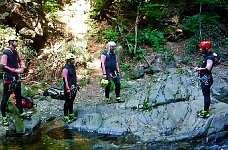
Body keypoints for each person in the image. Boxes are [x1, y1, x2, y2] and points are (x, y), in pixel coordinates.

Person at [0, 35, 27, 126]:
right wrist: (15, 70)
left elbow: (20, 60)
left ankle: (21, 112)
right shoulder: (6, 53)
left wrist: (22, 66)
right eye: (16, 41)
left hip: (16, 78)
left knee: (18, 95)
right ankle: (3, 116)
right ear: (11, 42)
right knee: (5, 98)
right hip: (8, 79)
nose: (17, 42)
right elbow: (2, 66)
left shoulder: (15, 52)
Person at [194, 40, 216, 118]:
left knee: (206, 95)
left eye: (201, 48)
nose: (200, 49)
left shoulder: (210, 57)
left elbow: (208, 69)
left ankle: (205, 112)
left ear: (206, 48)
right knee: (206, 94)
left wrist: (198, 69)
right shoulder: (209, 55)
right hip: (205, 78)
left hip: (206, 78)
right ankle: (205, 110)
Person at [62, 53, 79, 123]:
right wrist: (67, 88)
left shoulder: (73, 67)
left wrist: (77, 83)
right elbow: (65, 79)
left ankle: (71, 114)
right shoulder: (65, 69)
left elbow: (75, 75)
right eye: (72, 59)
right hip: (68, 87)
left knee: (71, 100)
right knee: (67, 101)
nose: (74, 60)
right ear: (69, 60)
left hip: (73, 86)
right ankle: (66, 116)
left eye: (74, 59)